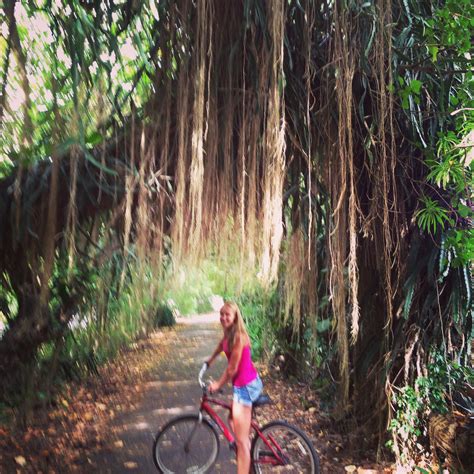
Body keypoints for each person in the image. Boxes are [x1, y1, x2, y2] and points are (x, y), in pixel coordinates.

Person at [206, 301, 263, 474]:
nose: (223, 317)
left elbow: (232, 369)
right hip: (245, 384)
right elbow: (220, 346)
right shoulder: (228, 333)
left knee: (241, 442)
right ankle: (249, 454)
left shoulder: (239, 336)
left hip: (246, 387)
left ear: (235, 317)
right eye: (221, 314)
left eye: (227, 315)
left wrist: (217, 384)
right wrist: (210, 360)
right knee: (232, 419)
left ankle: (245, 452)